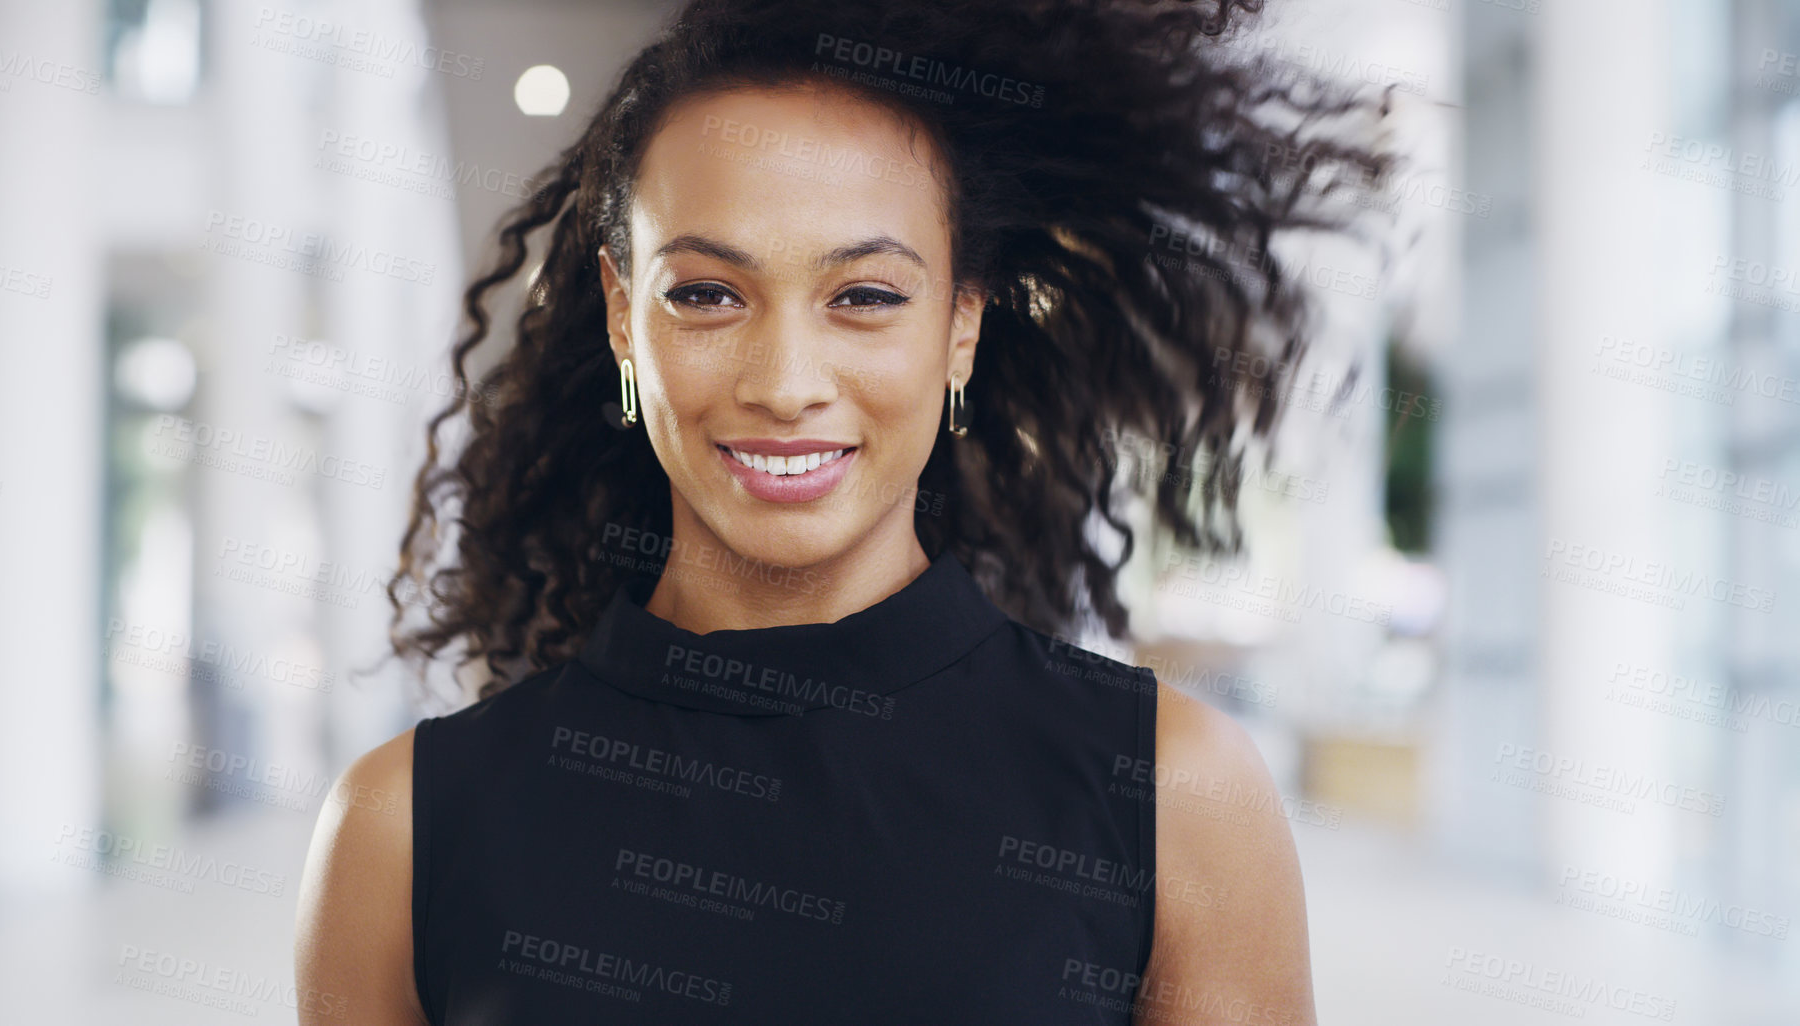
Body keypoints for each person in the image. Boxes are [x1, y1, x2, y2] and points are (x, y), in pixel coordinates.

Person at [295, 0, 1387, 1021]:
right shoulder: (401, 833)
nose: (784, 381)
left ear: (962, 325)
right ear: (625, 319)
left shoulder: (1172, 796)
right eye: (707, 294)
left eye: (865, 297)